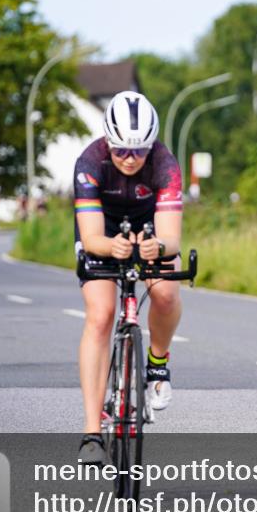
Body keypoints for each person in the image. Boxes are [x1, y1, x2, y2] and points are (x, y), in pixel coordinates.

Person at [73, 91, 184, 464]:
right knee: (101, 313)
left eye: (139, 151)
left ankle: (157, 362)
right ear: (108, 141)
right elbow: (90, 238)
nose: (130, 159)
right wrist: (111, 247)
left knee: (166, 292)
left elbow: (171, 238)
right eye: (121, 150)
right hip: (102, 230)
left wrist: (157, 246)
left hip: (149, 226)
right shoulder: (90, 161)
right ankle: (91, 433)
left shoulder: (165, 163)